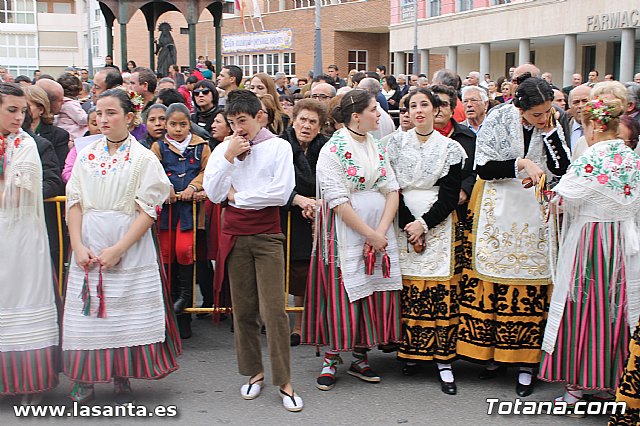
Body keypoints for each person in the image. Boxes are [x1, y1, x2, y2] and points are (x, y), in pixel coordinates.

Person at [63, 89, 180, 404]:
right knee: (88, 315)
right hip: (89, 238)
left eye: (111, 113)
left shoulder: (144, 158)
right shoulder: (85, 153)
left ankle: (121, 373)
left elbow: (148, 210)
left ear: (130, 117)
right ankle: (85, 379)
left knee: (123, 312)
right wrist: (76, 244)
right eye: (99, 113)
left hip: (128, 241)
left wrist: (119, 249)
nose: (103, 119)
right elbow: (74, 202)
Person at [457, 77, 571, 397]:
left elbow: (562, 167)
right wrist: (520, 163)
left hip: (535, 211)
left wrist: (550, 134)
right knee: (495, 283)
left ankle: (526, 363)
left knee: (531, 285)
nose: (543, 118)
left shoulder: (550, 123)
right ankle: (493, 355)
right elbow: (484, 168)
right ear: (520, 108)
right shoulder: (497, 118)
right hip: (499, 205)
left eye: (547, 112)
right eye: (537, 114)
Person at [203, 89, 302, 412]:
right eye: (232, 122)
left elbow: (280, 193)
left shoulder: (279, 147)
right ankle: (254, 373)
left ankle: (284, 381)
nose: (237, 129)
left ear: (259, 116)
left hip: (267, 234)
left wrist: (238, 198)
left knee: (273, 310)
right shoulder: (224, 148)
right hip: (234, 235)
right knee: (243, 310)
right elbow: (213, 192)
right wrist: (228, 156)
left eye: (242, 121)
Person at [540, 96, 640, 413]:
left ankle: (578, 386)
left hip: (592, 240)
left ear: (595, 125)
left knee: (583, 307)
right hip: (623, 240)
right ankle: (614, 383)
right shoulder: (631, 157)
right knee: (619, 310)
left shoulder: (593, 156)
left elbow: (561, 199)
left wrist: (544, 191)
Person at [302, 89, 402, 391]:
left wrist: (381, 232)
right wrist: (369, 233)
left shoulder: (376, 145)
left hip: (378, 228)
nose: (379, 114)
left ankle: (360, 354)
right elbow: (337, 200)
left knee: (370, 290)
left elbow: (392, 189)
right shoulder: (332, 151)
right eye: (374, 109)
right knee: (342, 292)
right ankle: (332, 356)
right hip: (345, 232)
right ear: (356, 116)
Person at [388, 88, 466, 395]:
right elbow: (391, 186)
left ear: (436, 110)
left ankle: (443, 360)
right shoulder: (393, 143)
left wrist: (425, 224)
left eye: (425, 105)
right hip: (402, 218)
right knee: (408, 292)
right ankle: (410, 353)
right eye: (413, 105)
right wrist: (409, 224)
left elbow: (450, 194)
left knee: (438, 292)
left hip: (439, 222)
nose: (419, 110)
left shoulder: (451, 148)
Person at [0, 83, 60, 405]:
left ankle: (30, 382)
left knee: (23, 304)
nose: (19, 117)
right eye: (11, 110)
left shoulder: (27, 145)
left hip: (21, 236)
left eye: (22, 111)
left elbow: (20, 192)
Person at [151, 103, 211, 340]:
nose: (177, 129)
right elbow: (153, 172)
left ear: (190, 124)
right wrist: (165, 188)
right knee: (166, 253)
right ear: (166, 124)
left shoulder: (201, 146)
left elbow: (208, 171)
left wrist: (193, 187)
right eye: (173, 124)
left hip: (190, 211)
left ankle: (184, 300)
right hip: (166, 210)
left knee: (184, 251)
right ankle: (168, 310)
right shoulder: (158, 147)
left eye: (183, 124)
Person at [278, 99, 328, 346]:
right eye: (302, 120)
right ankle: (281, 323)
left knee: (305, 272)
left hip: (317, 216)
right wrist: (297, 200)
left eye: (313, 122)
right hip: (284, 213)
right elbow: (272, 182)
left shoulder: (327, 147)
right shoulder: (279, 145)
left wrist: (318, 203)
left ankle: (303, 323)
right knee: (282, 272)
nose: (306, 126)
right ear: (294, 120)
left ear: (320, 127)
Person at [55, 73, 88, 142]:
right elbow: (81, 119)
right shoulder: (69, 104)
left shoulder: (63, 102)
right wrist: (91, 116)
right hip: (73, 133)